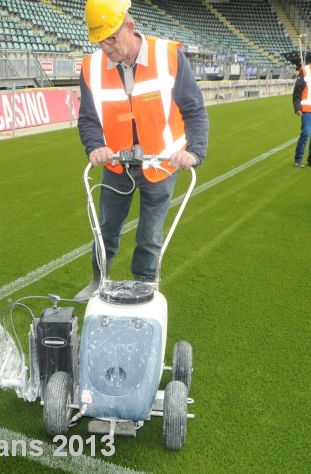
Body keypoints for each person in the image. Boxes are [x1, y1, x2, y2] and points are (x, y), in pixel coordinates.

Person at [76, 0, 209, 300]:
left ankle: (145, 287)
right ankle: (99, 280)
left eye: (111, 38)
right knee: (105, 229)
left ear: (130, 27)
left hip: (162, 164)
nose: (106, 48)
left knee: (150, 235)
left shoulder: (169, 57)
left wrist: (195, 151)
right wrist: (96, 145)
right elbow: (88, 119)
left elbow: (195, 111)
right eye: (99, 41)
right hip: (116, 165)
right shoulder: (91, 68)